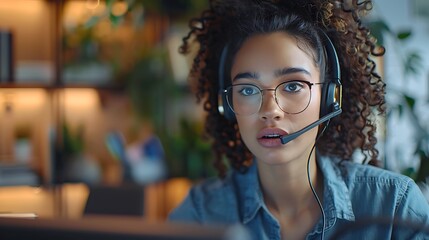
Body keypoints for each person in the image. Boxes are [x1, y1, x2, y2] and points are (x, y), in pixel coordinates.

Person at [168, 0, 429, 239]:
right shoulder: (199, 214)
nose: (270, 110)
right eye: (248, 89)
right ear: (227, 105)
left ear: (330, 97)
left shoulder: (395, 206)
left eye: (293, 86)